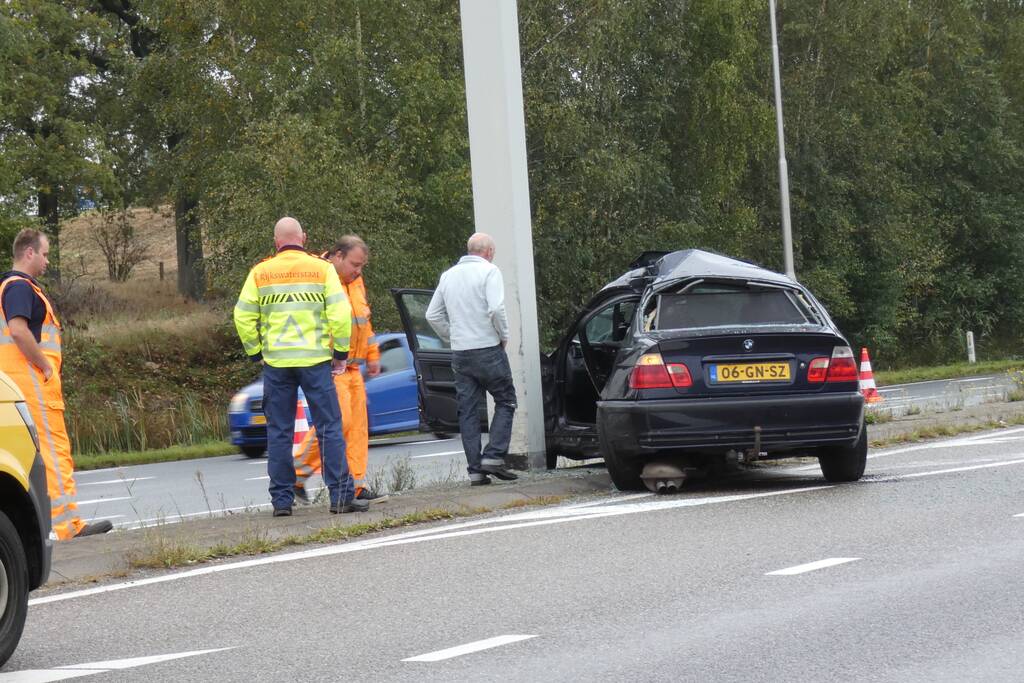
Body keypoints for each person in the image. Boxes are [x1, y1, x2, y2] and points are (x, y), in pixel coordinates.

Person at [233, 217, 368, 516]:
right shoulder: (321, 269)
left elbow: (242, 316)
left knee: (279, 432)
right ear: (303, 238)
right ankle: (341, 497)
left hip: (278, 364)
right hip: (315, 361)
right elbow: (340, 313)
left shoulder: (261, 272)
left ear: (276, 241)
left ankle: (282, 502)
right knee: (330, 427)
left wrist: (256, 353)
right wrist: (341, 353)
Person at [0, 229, 112, 539]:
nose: (48, 261)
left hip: (15, 387)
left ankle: (44, 529)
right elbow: (19, 331)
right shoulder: (20, 288)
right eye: (46, 254)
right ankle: (67, 526)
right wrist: (45, 365)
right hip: (33, 386)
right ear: (29, 253)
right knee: (53, 452)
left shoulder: (8, 288)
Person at [293, 235, 387, 503]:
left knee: (358, 428)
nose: (358, 271)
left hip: (354, 368)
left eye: (361, 266)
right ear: (337, 256)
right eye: (354, 264)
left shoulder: (355, 282)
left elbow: (364, 321)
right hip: (331, 365)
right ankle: (296, 471)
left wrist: (372, 354)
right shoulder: (319, 276)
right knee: (339, 421)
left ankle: (356, 486)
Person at [426, 232, 518, 486]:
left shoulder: (448, 276)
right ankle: (494, 456)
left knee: (467, 410)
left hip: (461, 353)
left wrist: (452, 336)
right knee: (505, 400)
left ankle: (475, 471)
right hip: (488, 348)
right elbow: (496, 308)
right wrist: (503, 336)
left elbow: (432, 314)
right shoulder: (490, 271)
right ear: (488, 252)